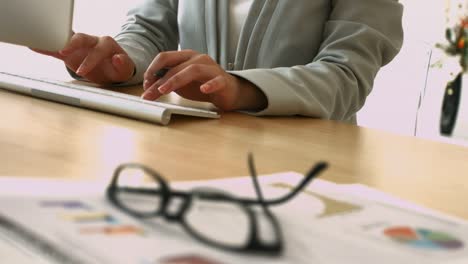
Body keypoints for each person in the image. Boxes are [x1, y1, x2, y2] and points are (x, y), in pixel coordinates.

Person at [34, 0, 404, 123]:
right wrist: (119, 62)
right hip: (194, 152)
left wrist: (239, 88)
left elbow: (346, 76)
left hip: (305, 169)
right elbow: (148, 29)